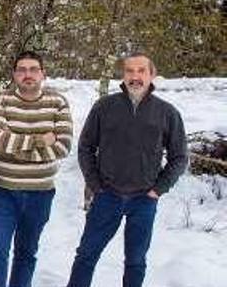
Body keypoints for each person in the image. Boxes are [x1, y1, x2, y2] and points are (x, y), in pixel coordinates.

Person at [66, 53, 188, 287]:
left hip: (144, 200)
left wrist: (158, 189)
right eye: (130, 71)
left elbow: (180, 156)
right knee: (86, 256)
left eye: (141, 71)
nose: (135, 77)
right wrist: (96, 185)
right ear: (123, 75)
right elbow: (86, 148)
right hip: (106, 197)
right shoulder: (104, 107)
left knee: (135, 261)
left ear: (152, 75)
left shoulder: (167, 113)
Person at [0, 51, 73, 287]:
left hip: (40, 194)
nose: (27, 75)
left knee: (26, 252)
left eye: (33, 69)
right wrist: (40, 141)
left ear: (43, 73)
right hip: (1, 191)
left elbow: (63, 147)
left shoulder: (58, 103)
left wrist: (15, 146)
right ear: (14, 75)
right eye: (21, 70)